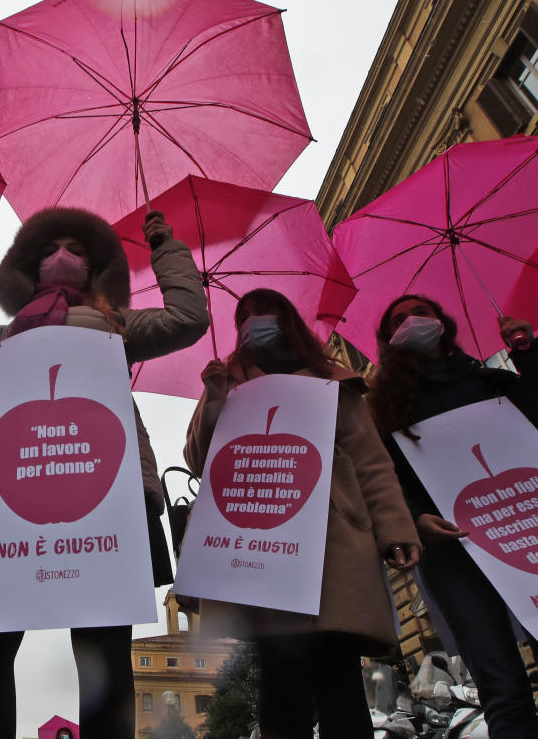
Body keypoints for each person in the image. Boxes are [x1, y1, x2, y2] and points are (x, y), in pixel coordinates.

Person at [0, 207, 208, 739]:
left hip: (108, 497)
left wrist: (164, 247)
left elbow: (188, 319)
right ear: (30, 267)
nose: (63, 257)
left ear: (94, 270)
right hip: (9, 497)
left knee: (104, 658)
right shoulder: (3, 335)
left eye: (78, 251)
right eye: (50, 250)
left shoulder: (116, 323)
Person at [369, 294, 538, 739]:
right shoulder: (385, 410)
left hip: (528, 533)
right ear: (389, 340)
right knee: (501, 687)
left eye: (421, 312)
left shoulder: (490, 382)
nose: (412, 321)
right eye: (398, 320)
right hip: (453, 550)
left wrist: (529, 350)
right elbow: (379, 476)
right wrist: (414, 520)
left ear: (442, 322)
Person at [184, 288, 420, 739]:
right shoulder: (228, 382)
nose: (254, 322)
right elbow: (198, 459)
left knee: (339, 674)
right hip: (264, 541)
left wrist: (394, 528)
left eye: (264, 312)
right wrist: (214, 399)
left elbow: (371, 460)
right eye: (244, 316)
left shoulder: (334, 381)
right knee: (281, 678)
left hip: (333, 540)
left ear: (287, 318)